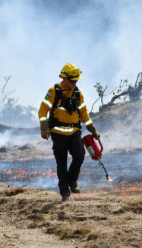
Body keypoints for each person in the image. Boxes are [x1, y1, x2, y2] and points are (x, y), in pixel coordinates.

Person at [38, 63, 100, 201]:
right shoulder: (53, 91)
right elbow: (42, 110)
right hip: (58, 134)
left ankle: (72, 181)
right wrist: (43, 126)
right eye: (72, 80)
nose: (74, 83)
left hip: (74, 132)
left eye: (76, 80)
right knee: (62, 163)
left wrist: (92, 129)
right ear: (64, 78)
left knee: (79, 155)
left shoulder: (78, 94)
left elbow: (84, 114)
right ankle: (64, 192)